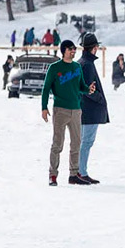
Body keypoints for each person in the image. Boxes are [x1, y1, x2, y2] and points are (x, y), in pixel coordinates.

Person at [40, 39, 87, 187]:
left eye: (74, 49)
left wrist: (88, 89)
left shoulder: (77, 67)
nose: (73, 51)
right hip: (60, 110)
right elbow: (46, 88)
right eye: (70, 49)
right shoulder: (54, 68)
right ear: (64, 51)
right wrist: (44, 107)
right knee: (57, 144)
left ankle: (74, 174)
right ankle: (53, 175)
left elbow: (81, 86)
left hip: (76, 110)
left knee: (76, 143)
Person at [77, 36, 107, 185]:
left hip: (83, 109)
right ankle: (81, 172)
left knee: (82, 141)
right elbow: (88, 89)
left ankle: (78, 171)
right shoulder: (87, 64)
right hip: (90, 110)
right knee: (86, 142)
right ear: (94, 48)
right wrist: (100, 98)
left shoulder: (81, 62)